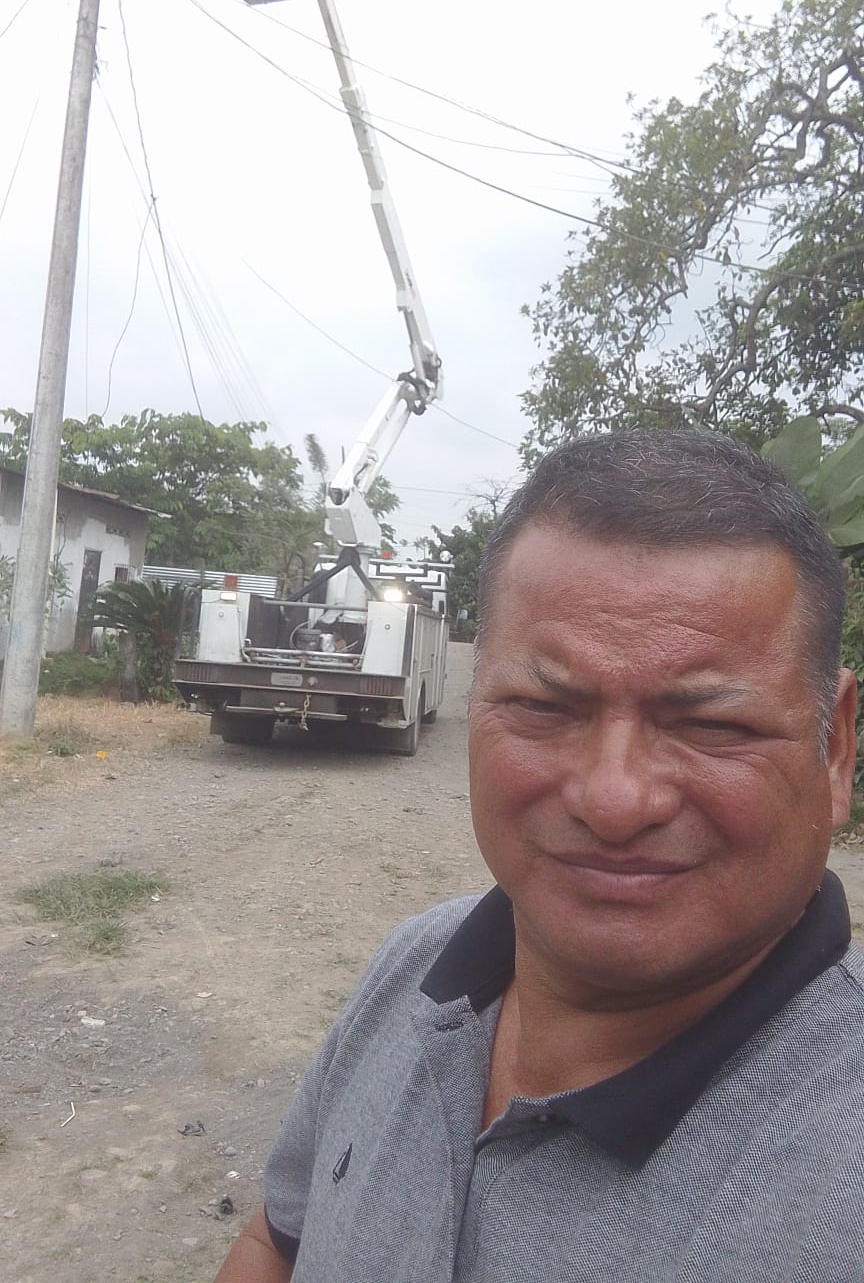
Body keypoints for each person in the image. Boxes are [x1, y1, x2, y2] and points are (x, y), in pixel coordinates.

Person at [214, 429, 864, 1283]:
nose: (614, 800)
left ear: (833, 749)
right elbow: (279, 1239)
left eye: (711, 724)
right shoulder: (417, 968)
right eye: (545, 708)